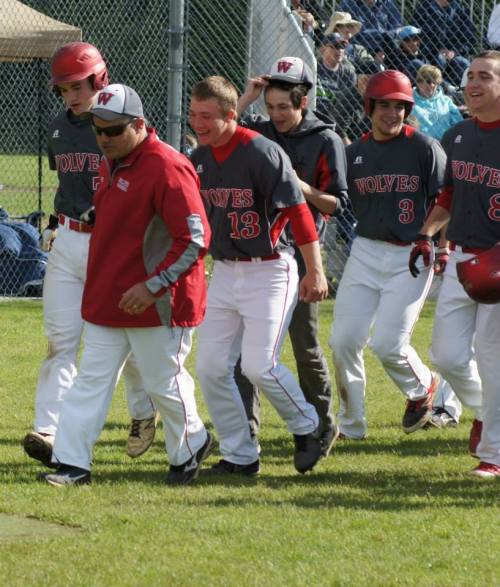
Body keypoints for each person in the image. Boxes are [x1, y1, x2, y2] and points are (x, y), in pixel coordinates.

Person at [41, 83, 213, 486]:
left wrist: (152, 286)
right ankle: (72, 462)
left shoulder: (167, 166)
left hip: (156, 302)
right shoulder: (112, 160)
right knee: (90, 380)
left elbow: (196, 239)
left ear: (139, 124)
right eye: (98, 129)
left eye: (114, 130)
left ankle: (192, 444)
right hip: (110, 294)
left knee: (163, 382)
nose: (104, 138)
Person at [23, 42, 157, 469]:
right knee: (60, 342)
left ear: (99, 78)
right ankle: (48, 429)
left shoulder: (120, 122)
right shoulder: (58, 126)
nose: (70, 96)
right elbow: (67, 182)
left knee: (127, 343)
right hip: (67, 239)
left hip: (112, 243)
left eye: (77, 86)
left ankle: (142, 412)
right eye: (62, 89)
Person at [190, 76, 329, 476]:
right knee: (212, 367)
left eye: (208, 116)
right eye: (194, 115)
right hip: (225, 270)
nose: (199, 123)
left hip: (271, 269)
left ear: (231, 115)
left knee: (258, 364)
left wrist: (315, 271)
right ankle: (240, 453)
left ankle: (308, 426)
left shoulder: (261, 151)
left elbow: (298, 212)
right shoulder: (200, 159)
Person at [328, 70, 455, 440]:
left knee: (387, 343)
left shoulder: (425, 148)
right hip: (365, 251)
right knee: (343, 341)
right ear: (370, 107)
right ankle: (351, 425)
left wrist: (441, 245)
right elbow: (334, 194)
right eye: (384, 105)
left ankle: (421, 389)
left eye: (399, 106)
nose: (392, 113)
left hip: (411, 256)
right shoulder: (354, 154)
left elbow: (446, 200)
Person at [235, 56, 349, 456]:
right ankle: (247, 434)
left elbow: (335, 205)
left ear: (303, 101)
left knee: (303, 344)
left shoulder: (325, 139)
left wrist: (300, 186)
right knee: (247, 353)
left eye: (285, 105)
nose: (276, 114)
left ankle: (321, 424)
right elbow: (217, 132)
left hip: (303, 255)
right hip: (259, 256)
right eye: (270, 105)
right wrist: (246, 96)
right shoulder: (260, 132)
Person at [409, 51, 500, 478]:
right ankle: (485, 411)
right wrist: (427, 235)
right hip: (461, 255)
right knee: (445, 355)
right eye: (470, 76)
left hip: (497, 260)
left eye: (485, 76)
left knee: (491, 354)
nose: (474, 83)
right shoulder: (458, 134)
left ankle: (493, 454)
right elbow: (448, 195)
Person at [414, 0, 474, 87]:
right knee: (439, 59)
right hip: (429, 53)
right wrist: (436, 50)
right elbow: (417, 36)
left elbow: (469, 39)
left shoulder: (460, 9)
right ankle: (445, 89)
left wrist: (454, 52)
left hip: (453, 54)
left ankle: (460, 94)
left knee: (463, 63)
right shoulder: (424, 8)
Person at [412, 64, 463, 139]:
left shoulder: (446, 101)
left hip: (445, 145)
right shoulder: (410, 100)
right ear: (419, 81)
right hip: (419, 145)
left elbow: (459, 124)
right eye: (428, 81)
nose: (432, 85)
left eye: (435, 82)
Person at [316, 33, 357, 125]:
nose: (339, 50)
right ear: (323, 49)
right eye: (335, 46)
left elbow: (348, 104)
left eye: (342, 47)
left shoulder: (348, 74)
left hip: (336, 119)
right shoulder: (314, 66)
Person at [337, 0, 402, 57]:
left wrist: (382, 47)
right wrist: (381, 35)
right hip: (359, 46)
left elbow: (397, 27)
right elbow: (343, 30)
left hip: (385, 47)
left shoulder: (388, 2)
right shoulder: (348, 3)